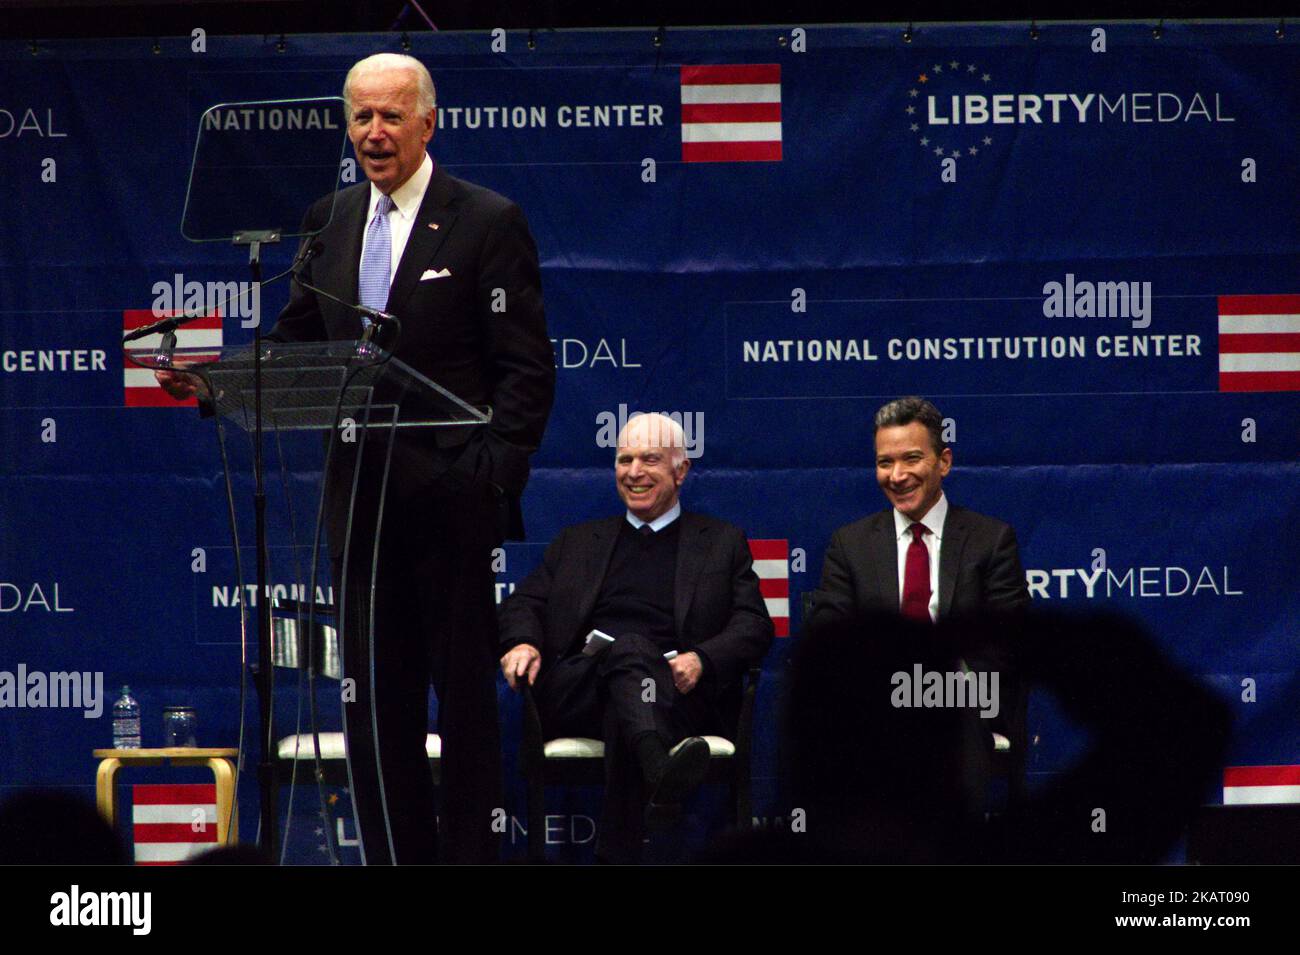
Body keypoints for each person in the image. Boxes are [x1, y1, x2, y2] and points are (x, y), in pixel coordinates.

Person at [157, 53, 555, 864]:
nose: (376, 133)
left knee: (467, 718)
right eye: (362, 117)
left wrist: (490, 477)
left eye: (392, 116)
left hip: (451, 508)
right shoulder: (330, 218)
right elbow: (301, 340)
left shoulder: (484, 219)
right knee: (375, 713)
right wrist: (214, 386)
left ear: (428, 120)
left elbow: (527, 371)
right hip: (358, 507)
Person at [498, 413, 773, 862]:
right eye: (624, 459)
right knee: (628, 651)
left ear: (680, 471)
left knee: (626, 703)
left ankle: (617, 850)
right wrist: (524, 642)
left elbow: (753, 625)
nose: (634, 472)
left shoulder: (721, 542)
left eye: (650, 459)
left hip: (675, 693)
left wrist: (702, 658)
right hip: (579, 689)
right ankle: (658, 769)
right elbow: (521, 604)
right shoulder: (578, 541)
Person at [805, 396, 1030, 767]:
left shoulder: (990, 540)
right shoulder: (851, 544)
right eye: (884, 463)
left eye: (911, 459)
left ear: (944, 461)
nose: (897, 475)